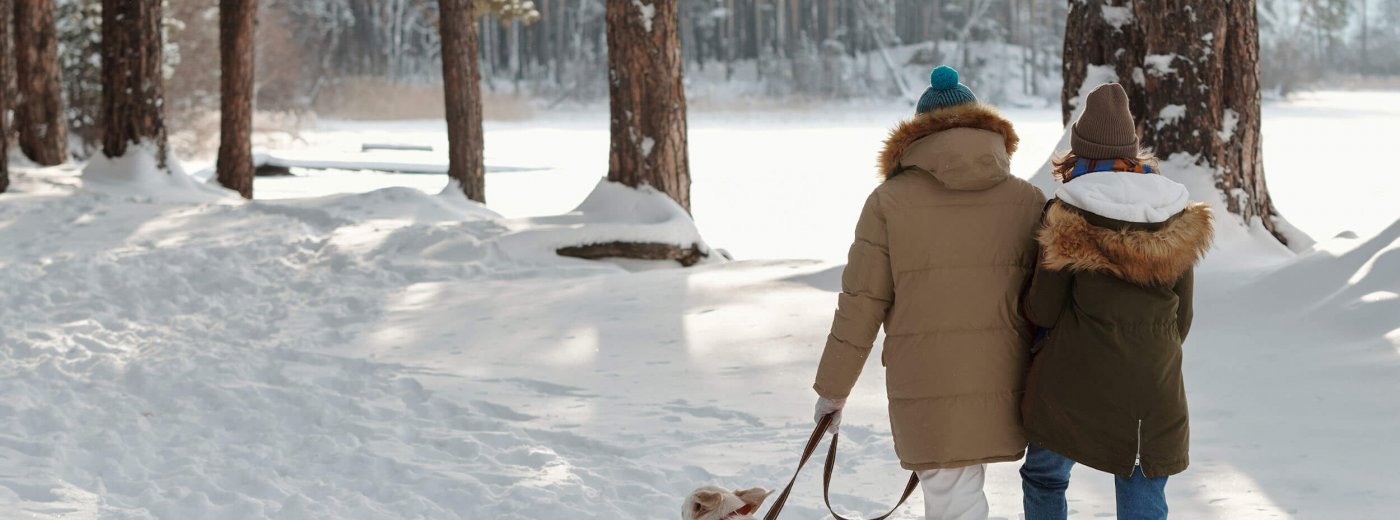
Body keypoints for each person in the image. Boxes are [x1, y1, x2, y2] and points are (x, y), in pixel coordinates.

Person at [812, 65, 1046, 520]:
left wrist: (833, 390)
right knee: (962, 493)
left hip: (927, 379)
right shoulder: (1029, 199)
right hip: (1009, 376)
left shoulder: (889, 201)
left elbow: (861, 303)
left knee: (953, 499)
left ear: (918, 131)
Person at [1018, 83, 1215, 520]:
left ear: (1079, 153)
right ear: (1132, 151)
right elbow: (1182, 320)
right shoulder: (1175, 213)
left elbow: (1044, 310)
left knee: (1045, 474)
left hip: (1074, 383)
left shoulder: (1064, 213)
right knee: (1142, 481)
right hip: (1153, 386)